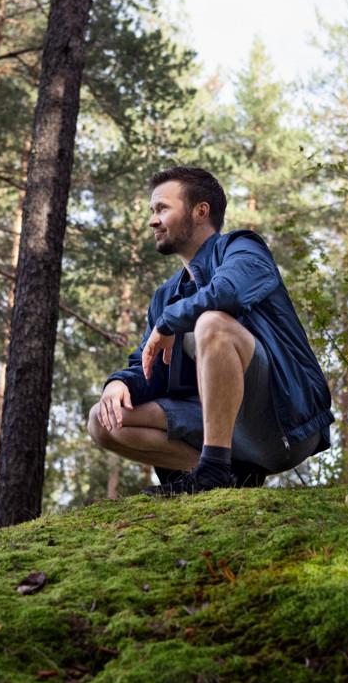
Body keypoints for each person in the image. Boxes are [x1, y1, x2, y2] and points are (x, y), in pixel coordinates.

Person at [88, 166, 334, 495]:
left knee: (212, 324)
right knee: (102, 420)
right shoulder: (166, 295)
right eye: (152, 211)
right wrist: (120, 383)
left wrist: (169, 321)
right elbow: (150, 366)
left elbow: (228, 292)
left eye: (162, 208)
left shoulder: (243, 249)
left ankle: (215, 468)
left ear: (200, 211)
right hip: (213, 425)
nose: (152, 220)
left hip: (279, 420)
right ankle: (224, 476)